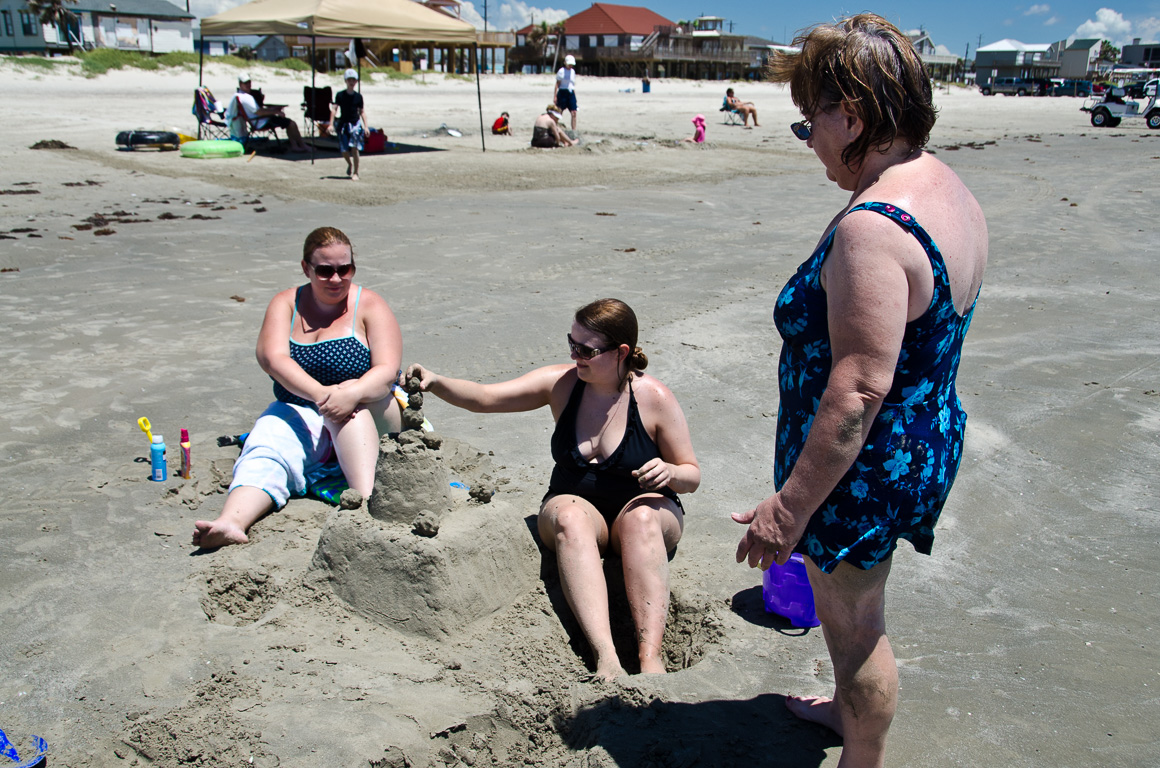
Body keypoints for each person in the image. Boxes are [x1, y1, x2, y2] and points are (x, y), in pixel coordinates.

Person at [732, 14, 987, 768]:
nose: (809, 139)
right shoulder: (946, 186)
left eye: (809, 121)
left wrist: (789, 507)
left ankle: (863, 752)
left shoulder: (873, 226)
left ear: (855, 116)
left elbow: (857, 392)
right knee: (856, 603)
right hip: (919, 437)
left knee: (853, 619)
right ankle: (847, 710)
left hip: (866, 465)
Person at [406, 299, 700, 680]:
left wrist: (670, 471)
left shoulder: (654, 398)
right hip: (576, 504)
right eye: (571, 343)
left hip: (644, 511)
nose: (574, 355)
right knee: (569, 517)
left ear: (621, 352)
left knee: (641, 519)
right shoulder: (561, 385)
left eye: (586, 349)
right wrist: (436, 381)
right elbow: (485, 398)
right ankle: (606, 656)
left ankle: (650, 657)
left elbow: (692, 475)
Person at [193, 227, 403, 549]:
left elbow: (387, 369)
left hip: (372, 408)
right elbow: (271, 358)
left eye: (344, 269)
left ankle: (364, 505)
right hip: (304, 408)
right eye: (325, 270)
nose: (336, 279)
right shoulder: (286, 303)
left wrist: (350, 394)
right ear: (306, 268)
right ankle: (232, 521)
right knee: (267, 444)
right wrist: (322, 395)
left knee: (350, 404)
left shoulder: (370, 304)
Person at [229, 73, 310, 152]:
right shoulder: (246, 97)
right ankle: (301, 145)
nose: (248, 85)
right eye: (245, 83)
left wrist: (272, 109)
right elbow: (259, 112)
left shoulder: (240, 95)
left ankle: (295, 145)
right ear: (240, 84)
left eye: (249, 82)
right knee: (291, 123)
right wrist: (276, 112)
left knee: (288, 122)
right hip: (261, 121)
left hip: (258, 120)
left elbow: (257, 110)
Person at [328, 69, 367, 181]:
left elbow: (362, 112)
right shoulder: (340, 95)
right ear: (345, 81)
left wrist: (366, 126)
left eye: (353, 80)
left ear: (356, 81)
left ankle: (356, 172)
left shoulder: (358, 97)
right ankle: (349, 164)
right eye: (349, 80)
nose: (351, 82)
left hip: (355, 124)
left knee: (355, 148)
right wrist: (330, 124)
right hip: (343, 124)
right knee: (344, 150)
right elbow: (334, 109)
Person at [554, 54, 579, 131]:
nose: (570, 65)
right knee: (559, 112)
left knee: (574, 112)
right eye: (569, 64)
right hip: (562, 92)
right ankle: (555, 128)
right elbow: (557, 84)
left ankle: (574, 130)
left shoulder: (573, 72)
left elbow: (572, 84)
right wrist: (555, 96)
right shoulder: (561, 71)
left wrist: (574, 96)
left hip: (571, 92)